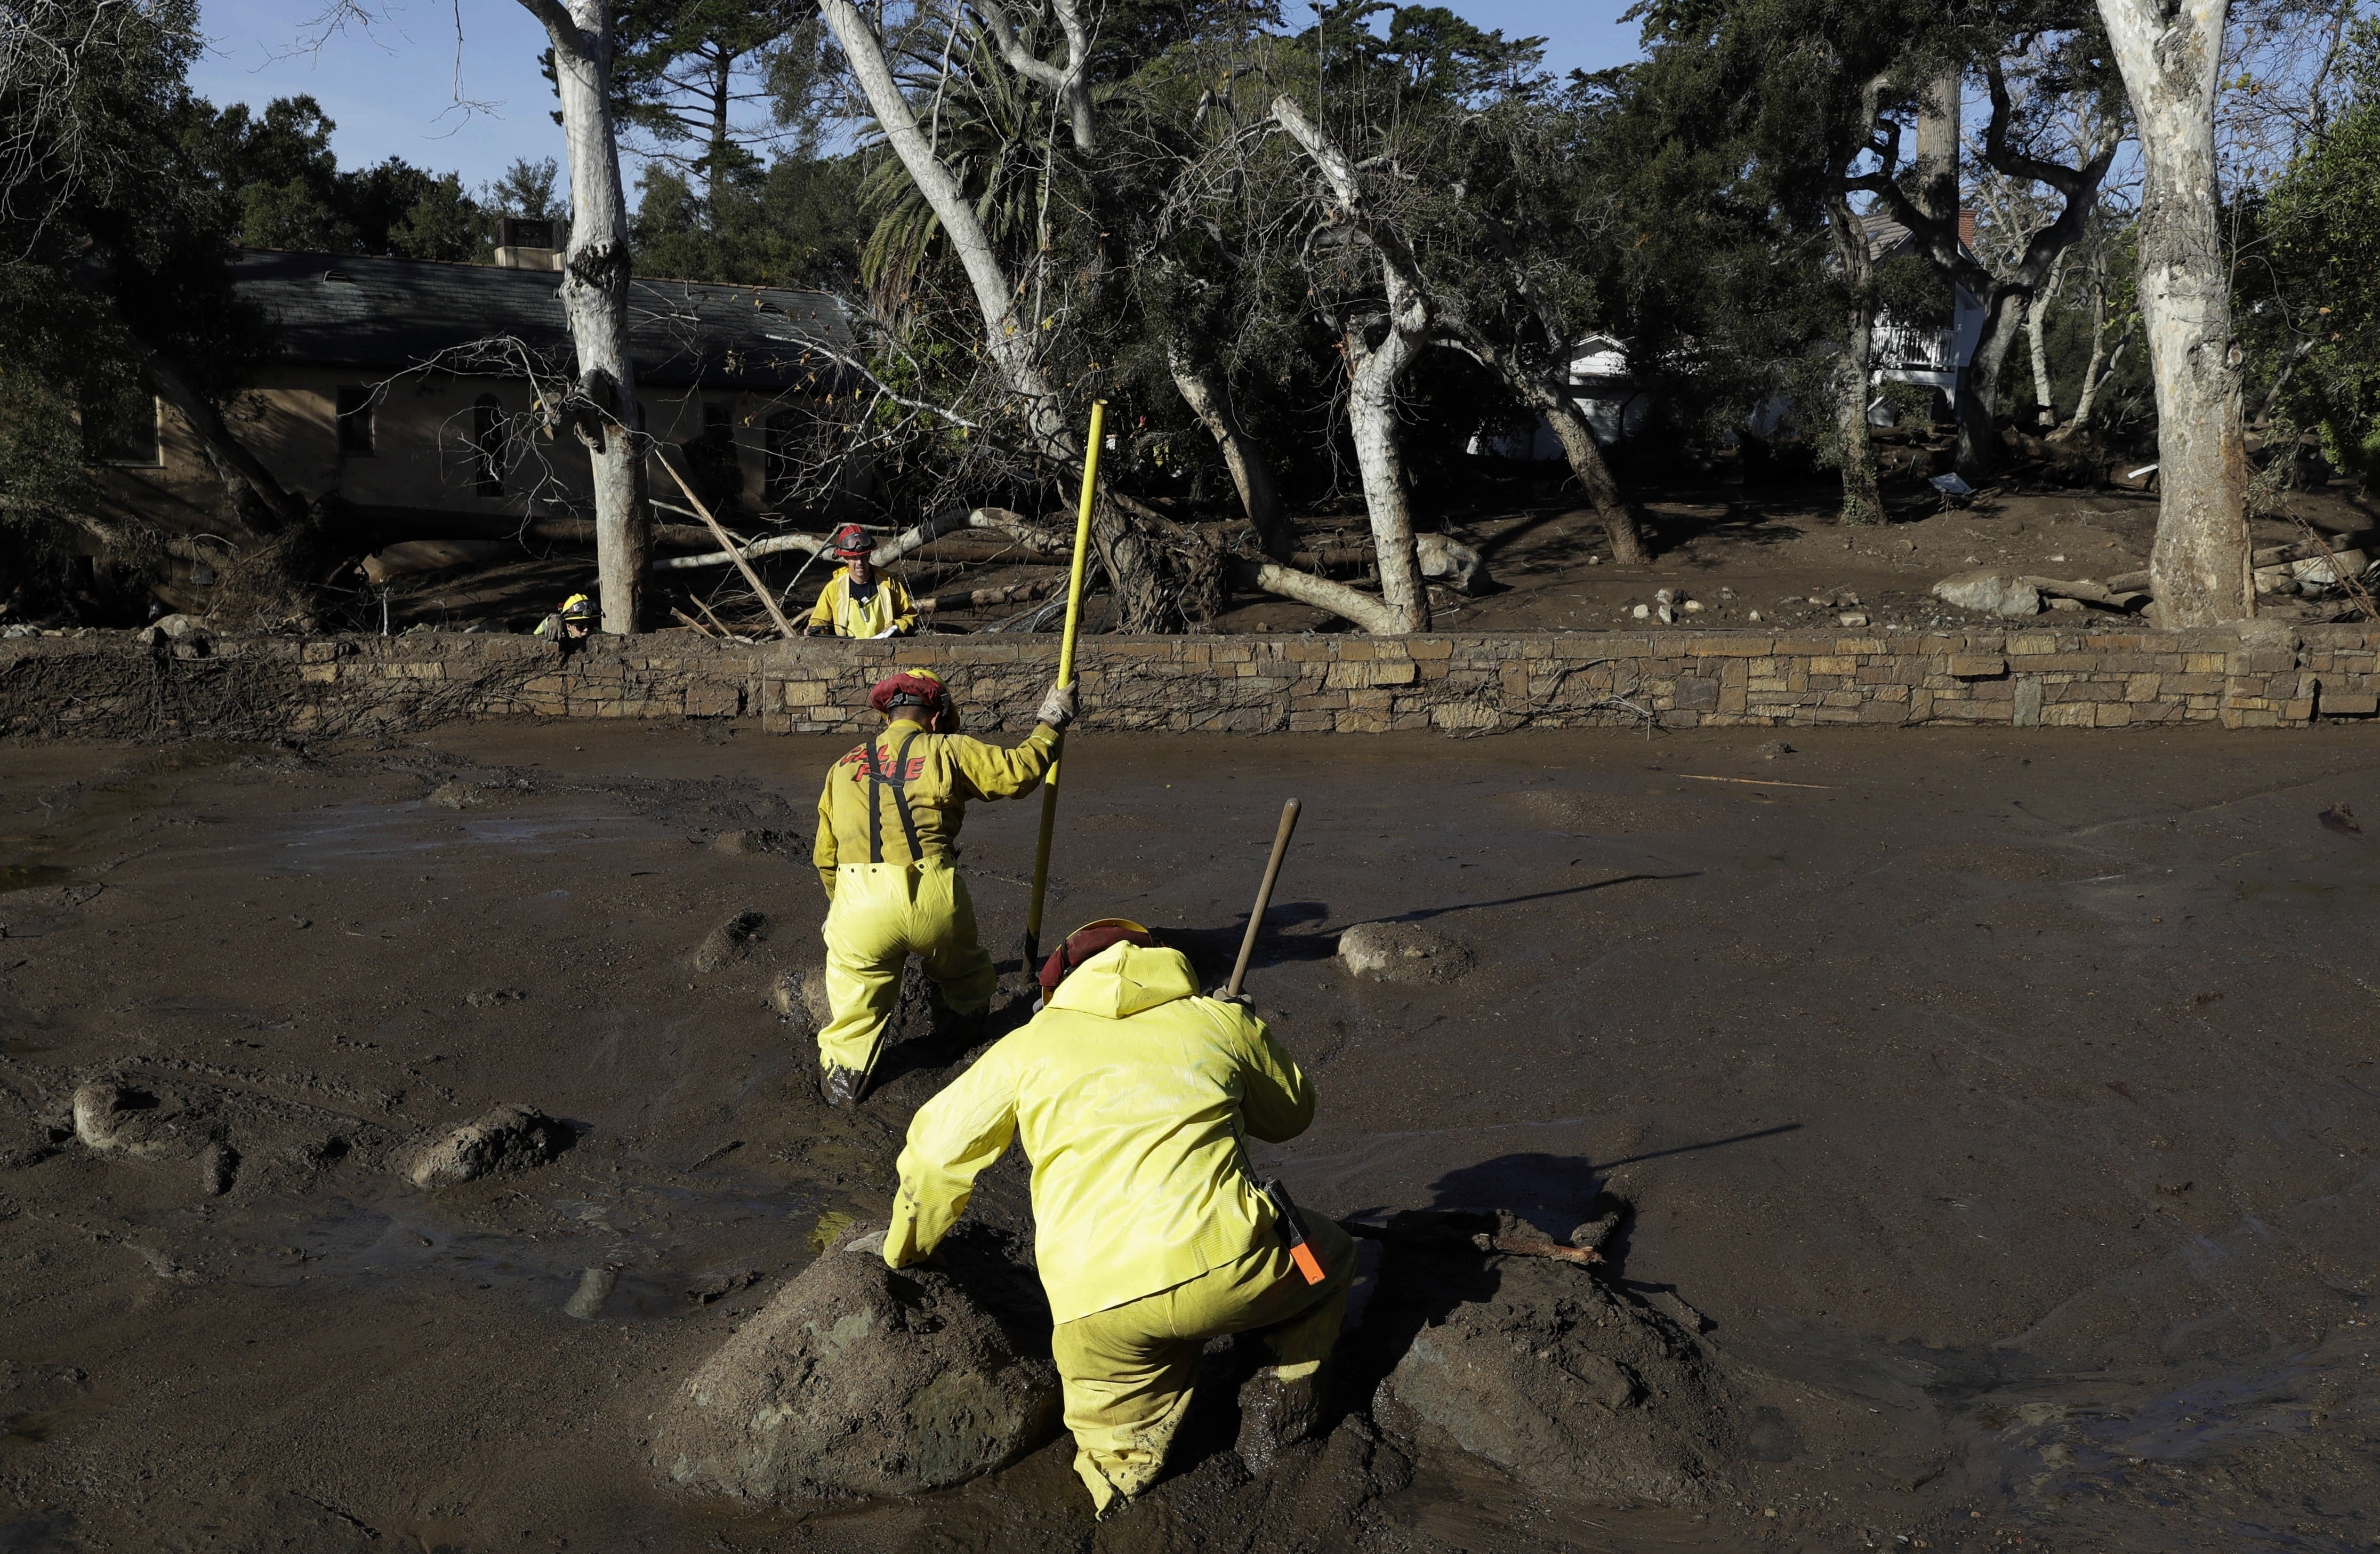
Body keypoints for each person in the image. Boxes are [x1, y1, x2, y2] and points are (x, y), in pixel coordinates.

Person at [883, 920, 1354, 1517]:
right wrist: (1246, 1027)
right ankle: (1283, 1411)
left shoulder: (1031, 1044)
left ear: (1058, 988)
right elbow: (1292, 1113)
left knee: (1114, 1466)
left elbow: (933, 1153)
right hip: (1235, 1267)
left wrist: (906, 1250)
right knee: (1330, 1260)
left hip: (1092, 1306)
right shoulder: (1215, 1019)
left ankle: (1120, 1501)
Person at [810, 667, 1074, 1104]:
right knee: (965, 977)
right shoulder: (948, 749)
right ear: (936, 717)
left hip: (858, 898)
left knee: (854, 1016)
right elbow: (1019, 773)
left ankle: (844, 1089)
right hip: (933, 890)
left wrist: (842, 906)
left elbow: (825, 856)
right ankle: (961, 1047)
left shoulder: (842, 768)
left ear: (888, 717)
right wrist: (1051, 722)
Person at [805, 524, 917, 638]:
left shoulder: (889, 584)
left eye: (863, 557)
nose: (860, 563)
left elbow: (909, 616)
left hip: (887, 651)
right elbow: (819, 620)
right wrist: (817, 630)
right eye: (854, 558)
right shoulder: (835, 588)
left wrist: (896, 627)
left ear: (869, 555)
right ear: (846, 558)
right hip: (848, 652)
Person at [533, 592, 599, 641]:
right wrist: (553, 618)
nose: (587, 630)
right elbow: (535, 636)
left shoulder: (596, 631)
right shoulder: (560, 633)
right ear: (569, 627)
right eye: (580, 627)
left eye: (591, 626)